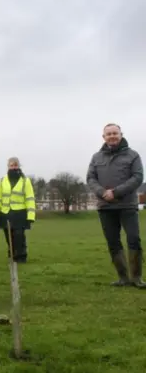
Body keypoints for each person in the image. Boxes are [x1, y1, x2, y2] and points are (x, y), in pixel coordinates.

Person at [86, 123, 145, 288]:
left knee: (133, 239)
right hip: (105, 207)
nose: (112, 136)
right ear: (103, 137)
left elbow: (137, 177)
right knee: (113, 242)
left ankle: (136, 278)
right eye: (109, 134)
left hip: (127, 205)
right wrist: (102, 192)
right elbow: (91, 178)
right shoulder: (96, 157)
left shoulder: (133, 155)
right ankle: (123, 278)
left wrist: (116, 192)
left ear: (121, 135)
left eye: (115, 133)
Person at [0, 157, 36, 263]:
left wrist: (31, 216)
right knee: (8, 236)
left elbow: (30, 199)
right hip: (5, 213)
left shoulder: (25, 181)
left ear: (19, 166)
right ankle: (12, 254)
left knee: (19, 236)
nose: (13, 167)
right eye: (11, 165)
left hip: (20, 213)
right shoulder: (2, 181)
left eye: (15, 165)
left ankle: (21, 256)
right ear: (8, 166)